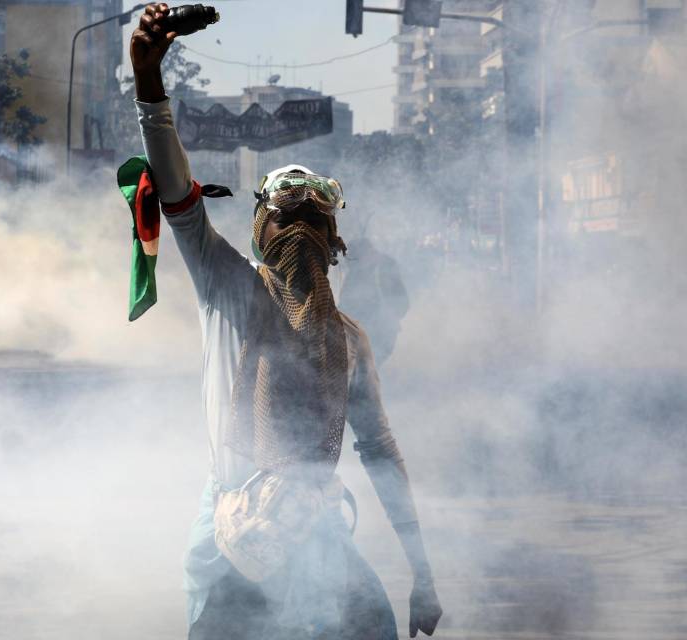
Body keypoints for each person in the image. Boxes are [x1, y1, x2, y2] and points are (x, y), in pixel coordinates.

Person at [130, 5, 443, 638]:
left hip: (316, 528)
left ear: (335, 243)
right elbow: (178, 196)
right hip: (229, 526)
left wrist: (424, 575)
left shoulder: (349, 341)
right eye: (284, 213)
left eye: (315, 218)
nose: (298, 224)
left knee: (371, 626)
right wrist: (147, 81)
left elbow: (381, 453)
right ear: (258, 230)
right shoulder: (229, 288)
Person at [339, 236, 410, 367]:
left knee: (366, 372)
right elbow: (344, 304)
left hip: (381, 336)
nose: (351, 265)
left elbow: (402, 303)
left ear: (368, 253)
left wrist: (385, 320)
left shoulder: (384, 269)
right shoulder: (355, 272)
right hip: (357, 335)